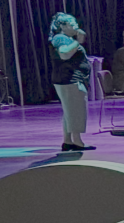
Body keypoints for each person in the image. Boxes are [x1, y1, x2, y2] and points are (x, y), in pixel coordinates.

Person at [49, 14, 93, 152]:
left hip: (68, 80)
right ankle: (77, 141)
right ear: (63, 26)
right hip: (70, 80)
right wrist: (78, 42)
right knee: (76, 110)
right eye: (72, 24)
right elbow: (64, 54)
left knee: (70, 112)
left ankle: (68, 141)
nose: (76, 26)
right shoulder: (60, 38)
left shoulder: (65, 38)